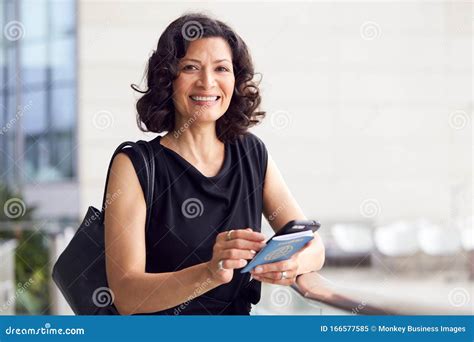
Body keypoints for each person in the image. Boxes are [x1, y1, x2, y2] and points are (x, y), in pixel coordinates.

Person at [104, 12, 325, 315]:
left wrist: (292, 264)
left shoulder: (251, 153)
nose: (207, 82)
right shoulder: (135, 164)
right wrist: (209, 272)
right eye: (190, 67)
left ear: (235, 80)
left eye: (221, 68)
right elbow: (126, 295)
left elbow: (314, 247)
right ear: (168, 78)